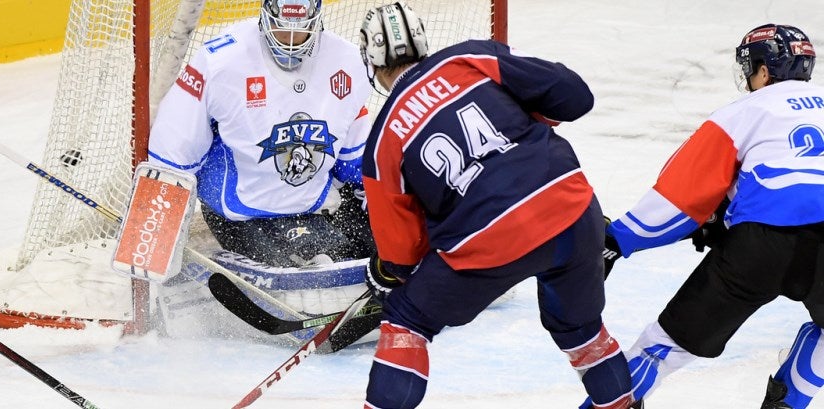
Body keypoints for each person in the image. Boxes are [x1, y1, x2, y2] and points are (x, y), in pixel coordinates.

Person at [357, 3, 638, 408]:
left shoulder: (383, 140)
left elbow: (402, 258)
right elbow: (576, 97)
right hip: (572, 211)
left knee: (407, 317)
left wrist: (396, 271)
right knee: (581, 330)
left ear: (371, 61)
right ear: (422, 42)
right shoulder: (469, 58)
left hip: (487, 243)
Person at [601, 24, 822, 408]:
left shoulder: (743, 111)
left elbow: (681, 198)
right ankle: (787, 404)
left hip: (760, 248)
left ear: (765, 71)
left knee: (665, 347)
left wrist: (618, 240)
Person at [148, 0, 375, 270]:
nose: (290, 41)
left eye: (299, 29)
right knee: (296, 276)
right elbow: (173, 152)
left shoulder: (348, 62)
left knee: (356, 260)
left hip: (309, 209)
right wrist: (153, 236)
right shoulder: (220, 60)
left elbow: (356, 161)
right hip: (238, 215)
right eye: (281, 26)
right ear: (266, 14)